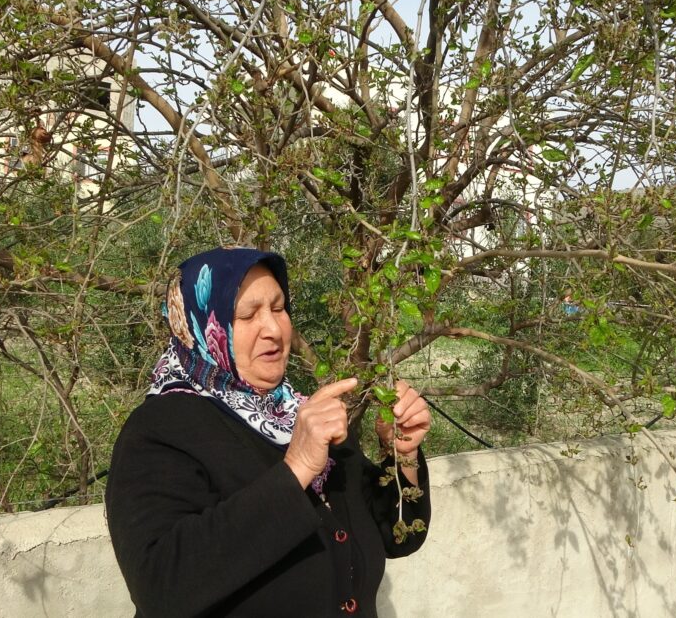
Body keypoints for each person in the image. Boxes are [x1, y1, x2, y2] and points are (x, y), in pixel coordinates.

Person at [105, 247, 432, 617]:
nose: (274, 329)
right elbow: (160, 586)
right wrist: (296, 469)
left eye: (279, 309)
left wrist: (402, 454)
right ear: (203, 325)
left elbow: (397, 535)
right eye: (247, 315)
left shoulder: (302, 413)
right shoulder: (160, 430)